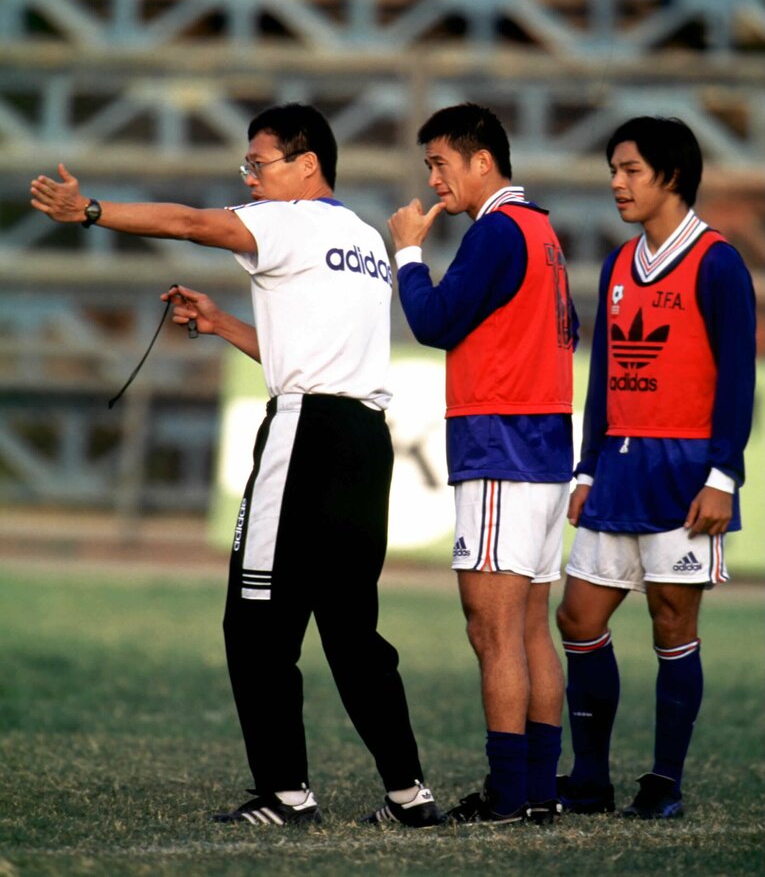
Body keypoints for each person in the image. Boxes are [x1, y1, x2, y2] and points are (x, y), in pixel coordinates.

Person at [30, 103, 443, 830]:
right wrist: (222, 324)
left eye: (259, 163)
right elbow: (312, 353)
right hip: (363, 438)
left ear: (306, 163)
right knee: (352, 628)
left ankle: (286, 794)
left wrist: (91, 209)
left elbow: (192, 224)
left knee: (254, 622)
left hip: (304, 433)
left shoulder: (287, 221)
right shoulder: (364, 239)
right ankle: (409, 794)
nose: (248, 178)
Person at [556, 115, 756, 820]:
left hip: (683, 472)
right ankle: (588, 777)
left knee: (671, 624)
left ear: (670, 175)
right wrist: (585, 469)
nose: (616, 183)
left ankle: (662, 782)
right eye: (613, 169)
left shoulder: (716, 262)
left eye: (630, 170)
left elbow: (737, 379)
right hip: (615, 468)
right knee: (577, 617)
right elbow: (603, 377)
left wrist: (721, 476)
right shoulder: (616, 264)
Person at [388, 103, 576, 825]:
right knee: (529, 625)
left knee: (491, 627)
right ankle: (536, 792)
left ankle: (507, 793)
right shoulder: (541, 230)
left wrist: (407, 251)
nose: (432, 179)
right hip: (543, 444)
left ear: (481, 162)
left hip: (500, 442)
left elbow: (433, 323)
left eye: (439, 162)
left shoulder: (496, 230)